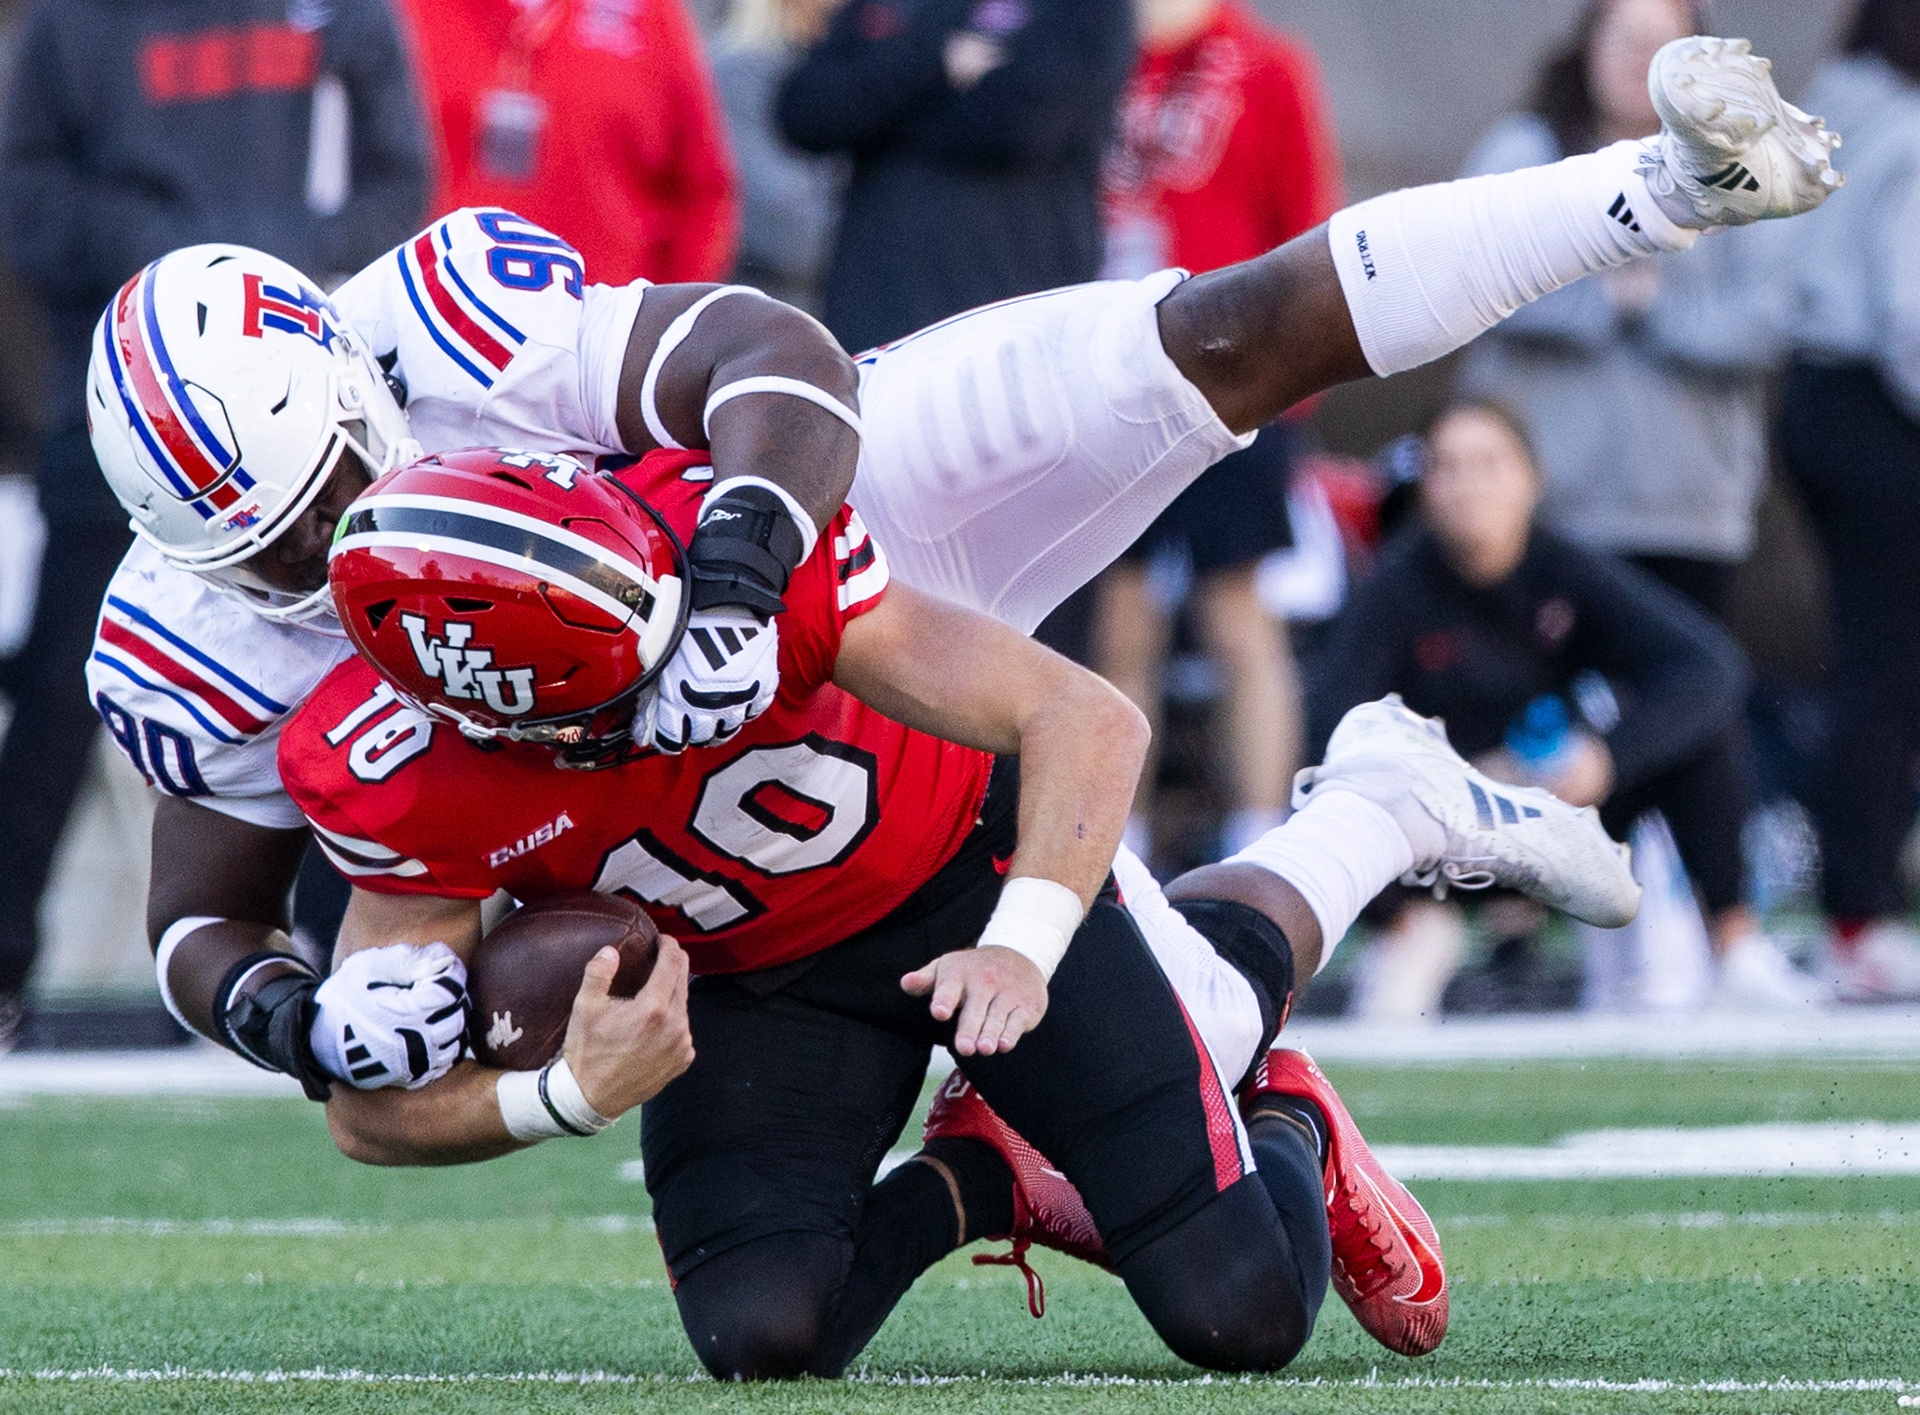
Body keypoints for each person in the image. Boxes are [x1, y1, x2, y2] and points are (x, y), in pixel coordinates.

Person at [86, 38, 1836, 1109]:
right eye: (265, 557)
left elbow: (772, 358)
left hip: (798, 546)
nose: (321, 565)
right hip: (725, 813)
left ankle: (1651, 188)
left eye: (322, 500)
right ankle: (1386, 812)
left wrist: (734, 563)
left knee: (1207, 342)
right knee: (1202, 1027)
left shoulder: (450, 317)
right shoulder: (188, 649)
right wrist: (278, 1007)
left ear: (349, 383)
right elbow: (198, 912)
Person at [280, 444, 1642, 1377]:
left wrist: (1027, 936)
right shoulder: (400, 770)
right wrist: (565, 1093)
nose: (666, 695)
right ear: (491, 713)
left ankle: (1316, 979)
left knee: (1247, 1310)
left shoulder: (735, 538)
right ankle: (990, 1167)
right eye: (614, 700)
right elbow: (365, 1106)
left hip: (965, 866)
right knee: (766, 1333)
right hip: (757, 976)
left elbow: (1082, 714)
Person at [0, 0, 429, 1043]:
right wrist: (175, 264)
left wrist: (272, 270)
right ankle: (8, 962)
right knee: (63, 692)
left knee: (362, 673)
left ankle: (356, 959)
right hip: (132, 419)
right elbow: (26, 199)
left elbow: (399, 180)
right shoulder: (72, 27)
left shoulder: (340, 11)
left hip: (305, 413)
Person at [1312, 400, 1825, 1013]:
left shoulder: (1565, 568)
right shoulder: (1393, 590)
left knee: (1704, 727)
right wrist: (1457, 784)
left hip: (1557, 809)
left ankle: (1735, 946)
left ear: (1532, 478)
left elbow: (1710, 666)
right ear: (1424, 486)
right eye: (1448, 466)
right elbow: (1332, 730)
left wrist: (1608, 758)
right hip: (1440, 830)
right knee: (1392, 990)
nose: (1470, 485)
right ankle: (1403, 938)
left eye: (1489, 463)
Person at [1091, 0, 1341, 864]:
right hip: (1107, 379)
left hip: (1237, 377)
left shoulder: (1267, 65)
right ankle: (1110, 846)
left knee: (1239, 619)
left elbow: (1305, 221)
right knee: (1119, 628)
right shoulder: (1089, 49)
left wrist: (1292, 383)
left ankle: (1262, 843)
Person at [1453, 0, 1788, 623]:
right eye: (1625, 42)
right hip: (1540, 509)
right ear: (1588, 47)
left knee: (1681, 699)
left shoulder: (1741, 171)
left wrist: (1659, 307)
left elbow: (1772, 321)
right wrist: (1599, 300)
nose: (1641, 63)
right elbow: (1462, 278)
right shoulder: (1526, 150)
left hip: (1687, 514)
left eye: (1663, 47)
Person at [1774, 0, 1920, 1002]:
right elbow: (1911, 309)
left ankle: (1856, 909)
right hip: (1880, 403)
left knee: (1872, 665)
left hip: (1815, 393)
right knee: (1887, 672)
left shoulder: (1828, 105)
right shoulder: (1910, 124)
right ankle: (1859, 916)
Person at [776, 0, 1136, 353]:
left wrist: (882, 118)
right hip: (877, 310)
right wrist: (937, 64)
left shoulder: (1088, 8)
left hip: (1016, 314)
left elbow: (1025, 128)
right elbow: (805, 113)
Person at [397, 0, 737, 285]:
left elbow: (704, 192)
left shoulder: (649, 14)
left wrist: (660, 333)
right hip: (431, 322)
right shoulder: (401, 10)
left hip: (598, 337)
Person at [712, 0, 849, 313]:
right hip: (762, 319)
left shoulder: (853, 81)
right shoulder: (740, 73)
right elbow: (787, 232)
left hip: (821, 313)